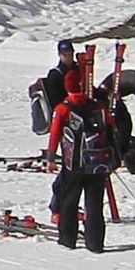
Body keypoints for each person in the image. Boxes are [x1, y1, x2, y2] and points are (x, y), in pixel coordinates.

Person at [47, 82, 119, 251]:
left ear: (67, 88)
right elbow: (111, 129)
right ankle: (95, 243)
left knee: (69, 202)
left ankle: (67, 239)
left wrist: (51, 157)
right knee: (94, 204)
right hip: (98, 163)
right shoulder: (98, 107)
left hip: (73, 163)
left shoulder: (63, 109)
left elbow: (55, 133)